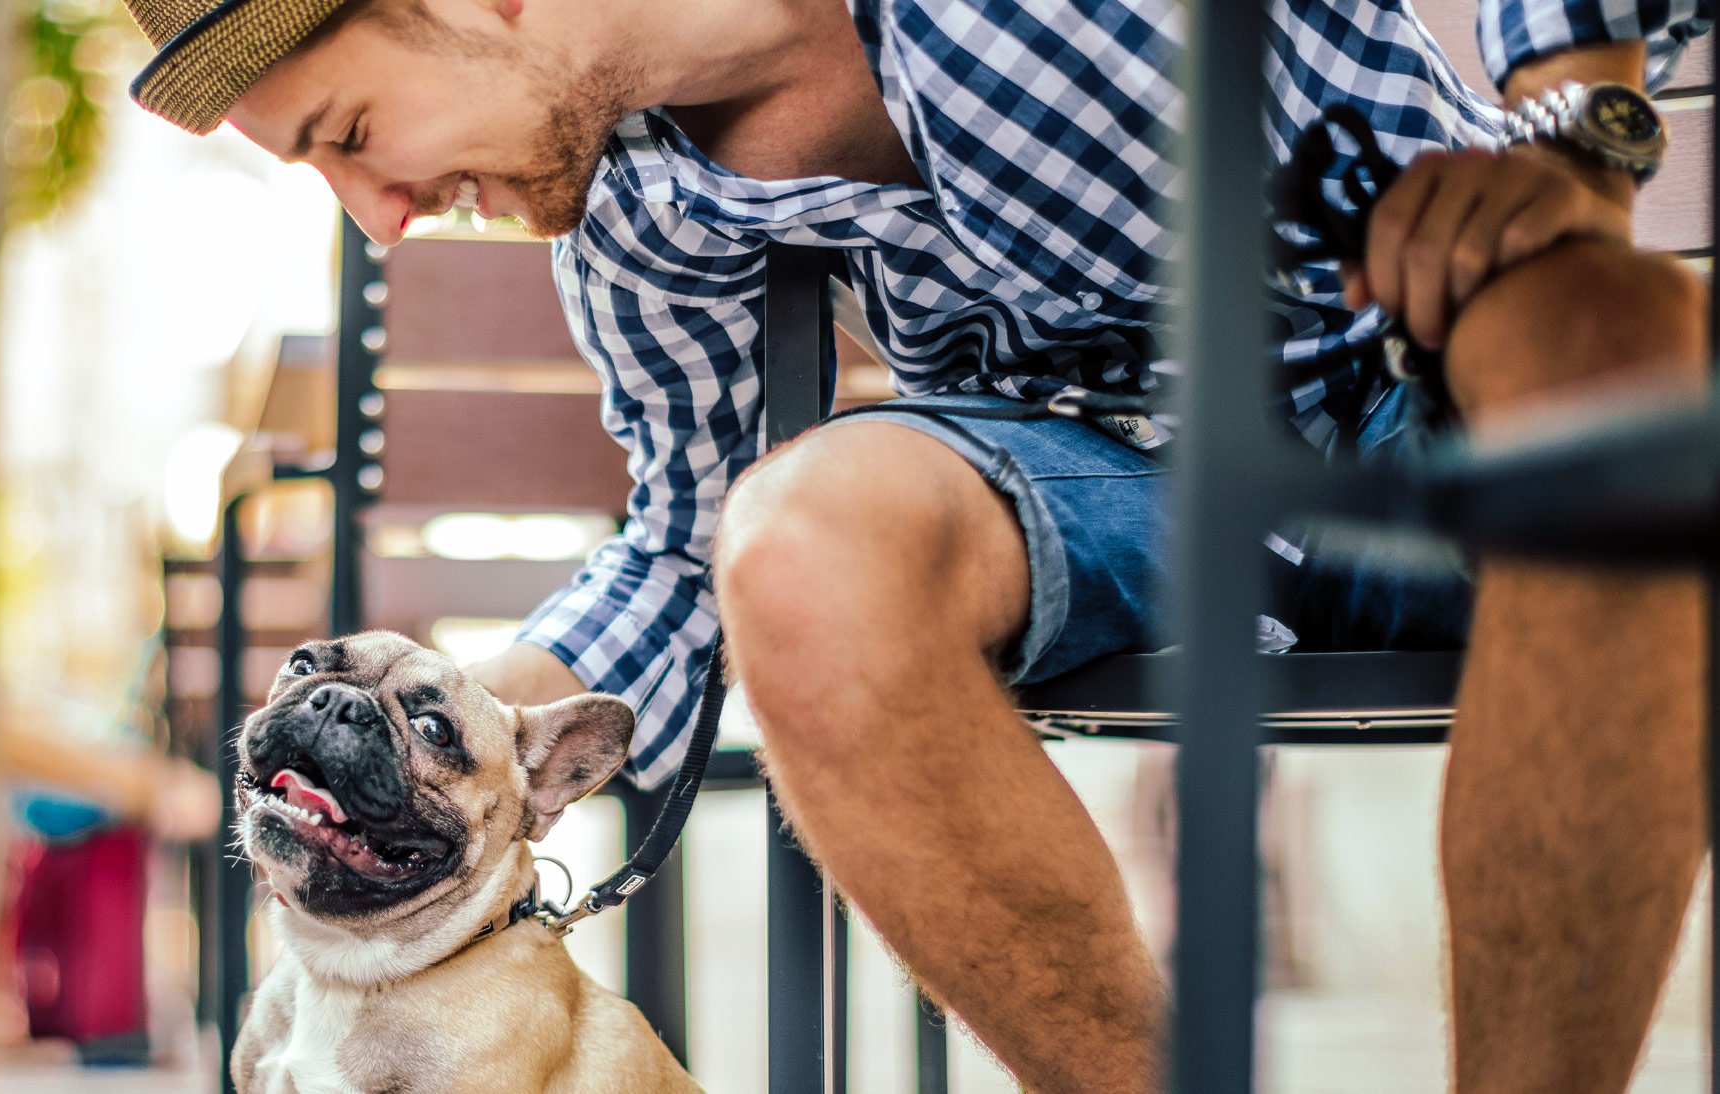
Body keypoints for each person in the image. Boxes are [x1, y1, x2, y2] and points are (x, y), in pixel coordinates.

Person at [121, 0, 1714, 1084]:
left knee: (1621, 358)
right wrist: (449, 758)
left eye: (347, 129)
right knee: (789, 543)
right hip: (1105, 497)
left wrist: (1567, 128)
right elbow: (684, 548)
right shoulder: (636, 212)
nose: (376, 217)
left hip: (1418, 369)